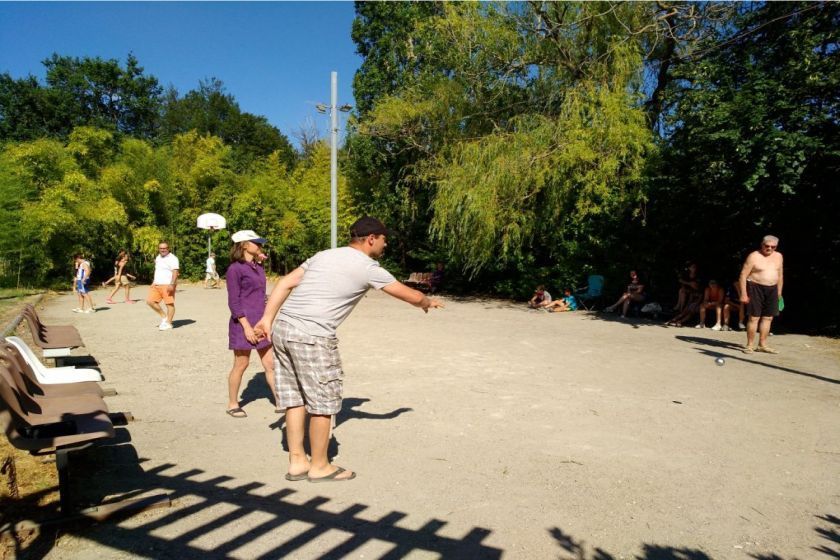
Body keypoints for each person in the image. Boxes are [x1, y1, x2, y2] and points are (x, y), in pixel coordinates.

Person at [253, 217, 443, 483]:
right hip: (313, 335)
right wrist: (426, 301)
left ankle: (297, 461)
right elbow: (407, 294)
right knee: (323, 401)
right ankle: (320, 466)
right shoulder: (367, 266)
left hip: (284, 328)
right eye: (384, 240)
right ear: (371, 239)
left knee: (294, 398)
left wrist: (267, 319)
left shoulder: (323, 255)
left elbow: (285, 282)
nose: (385, 246)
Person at [224, 230, 277, 418]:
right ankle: (232, 404)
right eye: (256, 243)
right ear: (244, 245)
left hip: (260, 321)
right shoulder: (234, 269)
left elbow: (257, 293)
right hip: (242, 324)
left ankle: (280, 401)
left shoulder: (258, 267)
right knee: (241, 364)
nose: (260, 245)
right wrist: (246, 327)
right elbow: (234, 302)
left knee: (270, 363)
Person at [739, 235, 784, 354]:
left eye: (773, 247)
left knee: (768, 317)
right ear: (762, 244)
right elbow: (743, 275)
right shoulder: (753, 256)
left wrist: (779, 292)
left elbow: (780, 275)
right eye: (767, 246)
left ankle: (762, 345)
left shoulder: (779, 256)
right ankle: (749, 345)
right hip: (755, 287)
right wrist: (743, 293)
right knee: (754, 317)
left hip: (772, 288)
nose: (769, 248)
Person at [146, 242, 179, 331]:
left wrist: (172, 284)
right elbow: (158, 270)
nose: (163, 250)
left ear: (168, 248)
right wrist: (154, 281)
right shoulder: (158, 257)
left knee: (169, 304)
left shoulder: (173, 258)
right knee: (150, 301)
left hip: (167, 284)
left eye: (165, 248)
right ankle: (164, 317)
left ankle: (169, 323)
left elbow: (175, 272)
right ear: (158, 249)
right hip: (157, 284)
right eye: (161, 248)